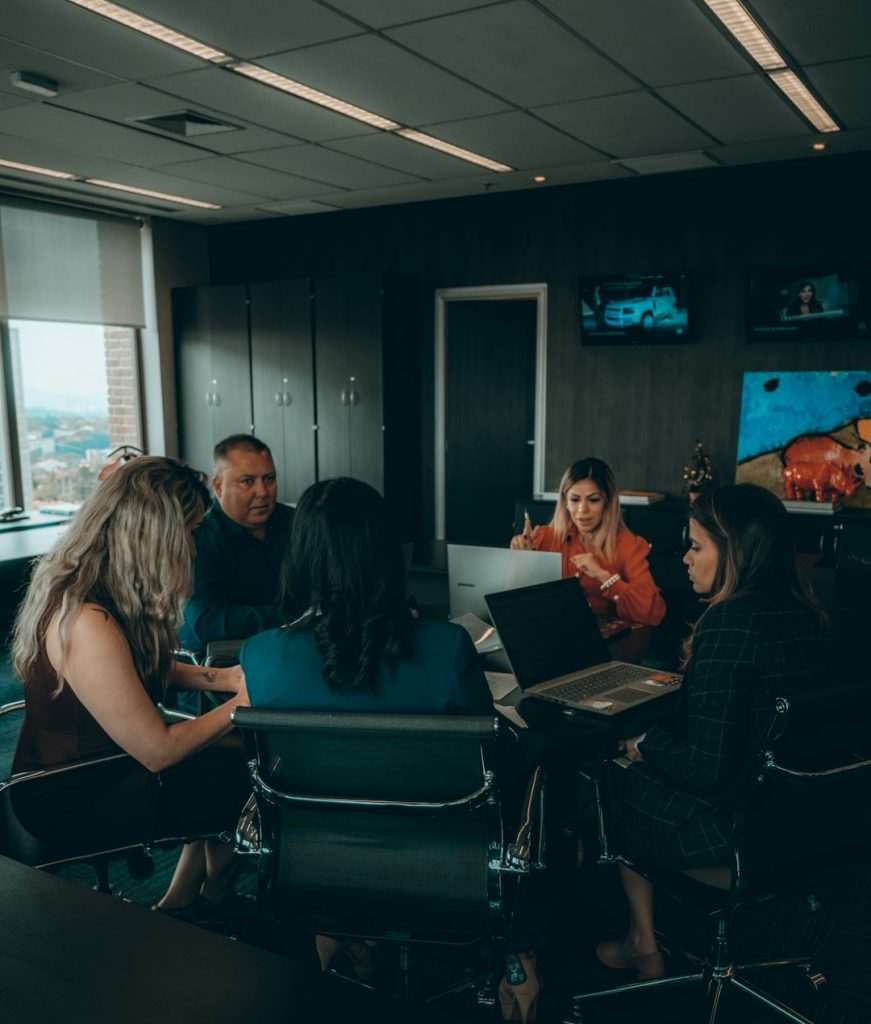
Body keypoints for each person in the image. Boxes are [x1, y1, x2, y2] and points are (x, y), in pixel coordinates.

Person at [240, 478, 538, 1019]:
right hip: (445, 868)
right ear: (388, 554)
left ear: (300, 554)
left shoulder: (261, 656)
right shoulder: (447, 648)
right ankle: (520, 957)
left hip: (315, 868)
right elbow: (494, 766)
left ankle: (351, 942)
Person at [596, 484, 831, 980]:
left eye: (698, 546)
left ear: (737, 552)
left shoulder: (731, 620)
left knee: (609, 770)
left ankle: (640, 941)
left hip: (732, 829)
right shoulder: (808, 615)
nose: (685, 558)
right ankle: (644, 938)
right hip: (803, 820)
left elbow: (703, 768)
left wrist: (646, 745)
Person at [10, 456, 252, 913]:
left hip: (97, 765)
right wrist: (243, 702)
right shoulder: (88, 621)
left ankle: (183, 900)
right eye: (192, 533)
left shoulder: (100, 587)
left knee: (232, 755)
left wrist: (221, 678)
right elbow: (158, 751)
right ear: (155, 536)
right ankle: (213, 897)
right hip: (73, 793)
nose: (196, 548)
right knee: (252, 773)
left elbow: (137, 669)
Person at [510, 457, 665, 627]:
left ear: (607, 502)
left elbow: (653, 614)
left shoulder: (630, 545)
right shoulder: (543, 537)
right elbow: (513, 605)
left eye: (593, 500)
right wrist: (522, 561)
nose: (582, 510)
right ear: (565, 502)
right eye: (575, 500)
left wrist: (604, 576)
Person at [179, 434, 294, 657]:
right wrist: (292, 616)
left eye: (269, 479)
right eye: (247, 481)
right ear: (219, 486)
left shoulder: (297, 524)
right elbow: (207, 623)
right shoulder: (197, 535)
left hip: (289, 654)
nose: (262, 492)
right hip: (219, 666)